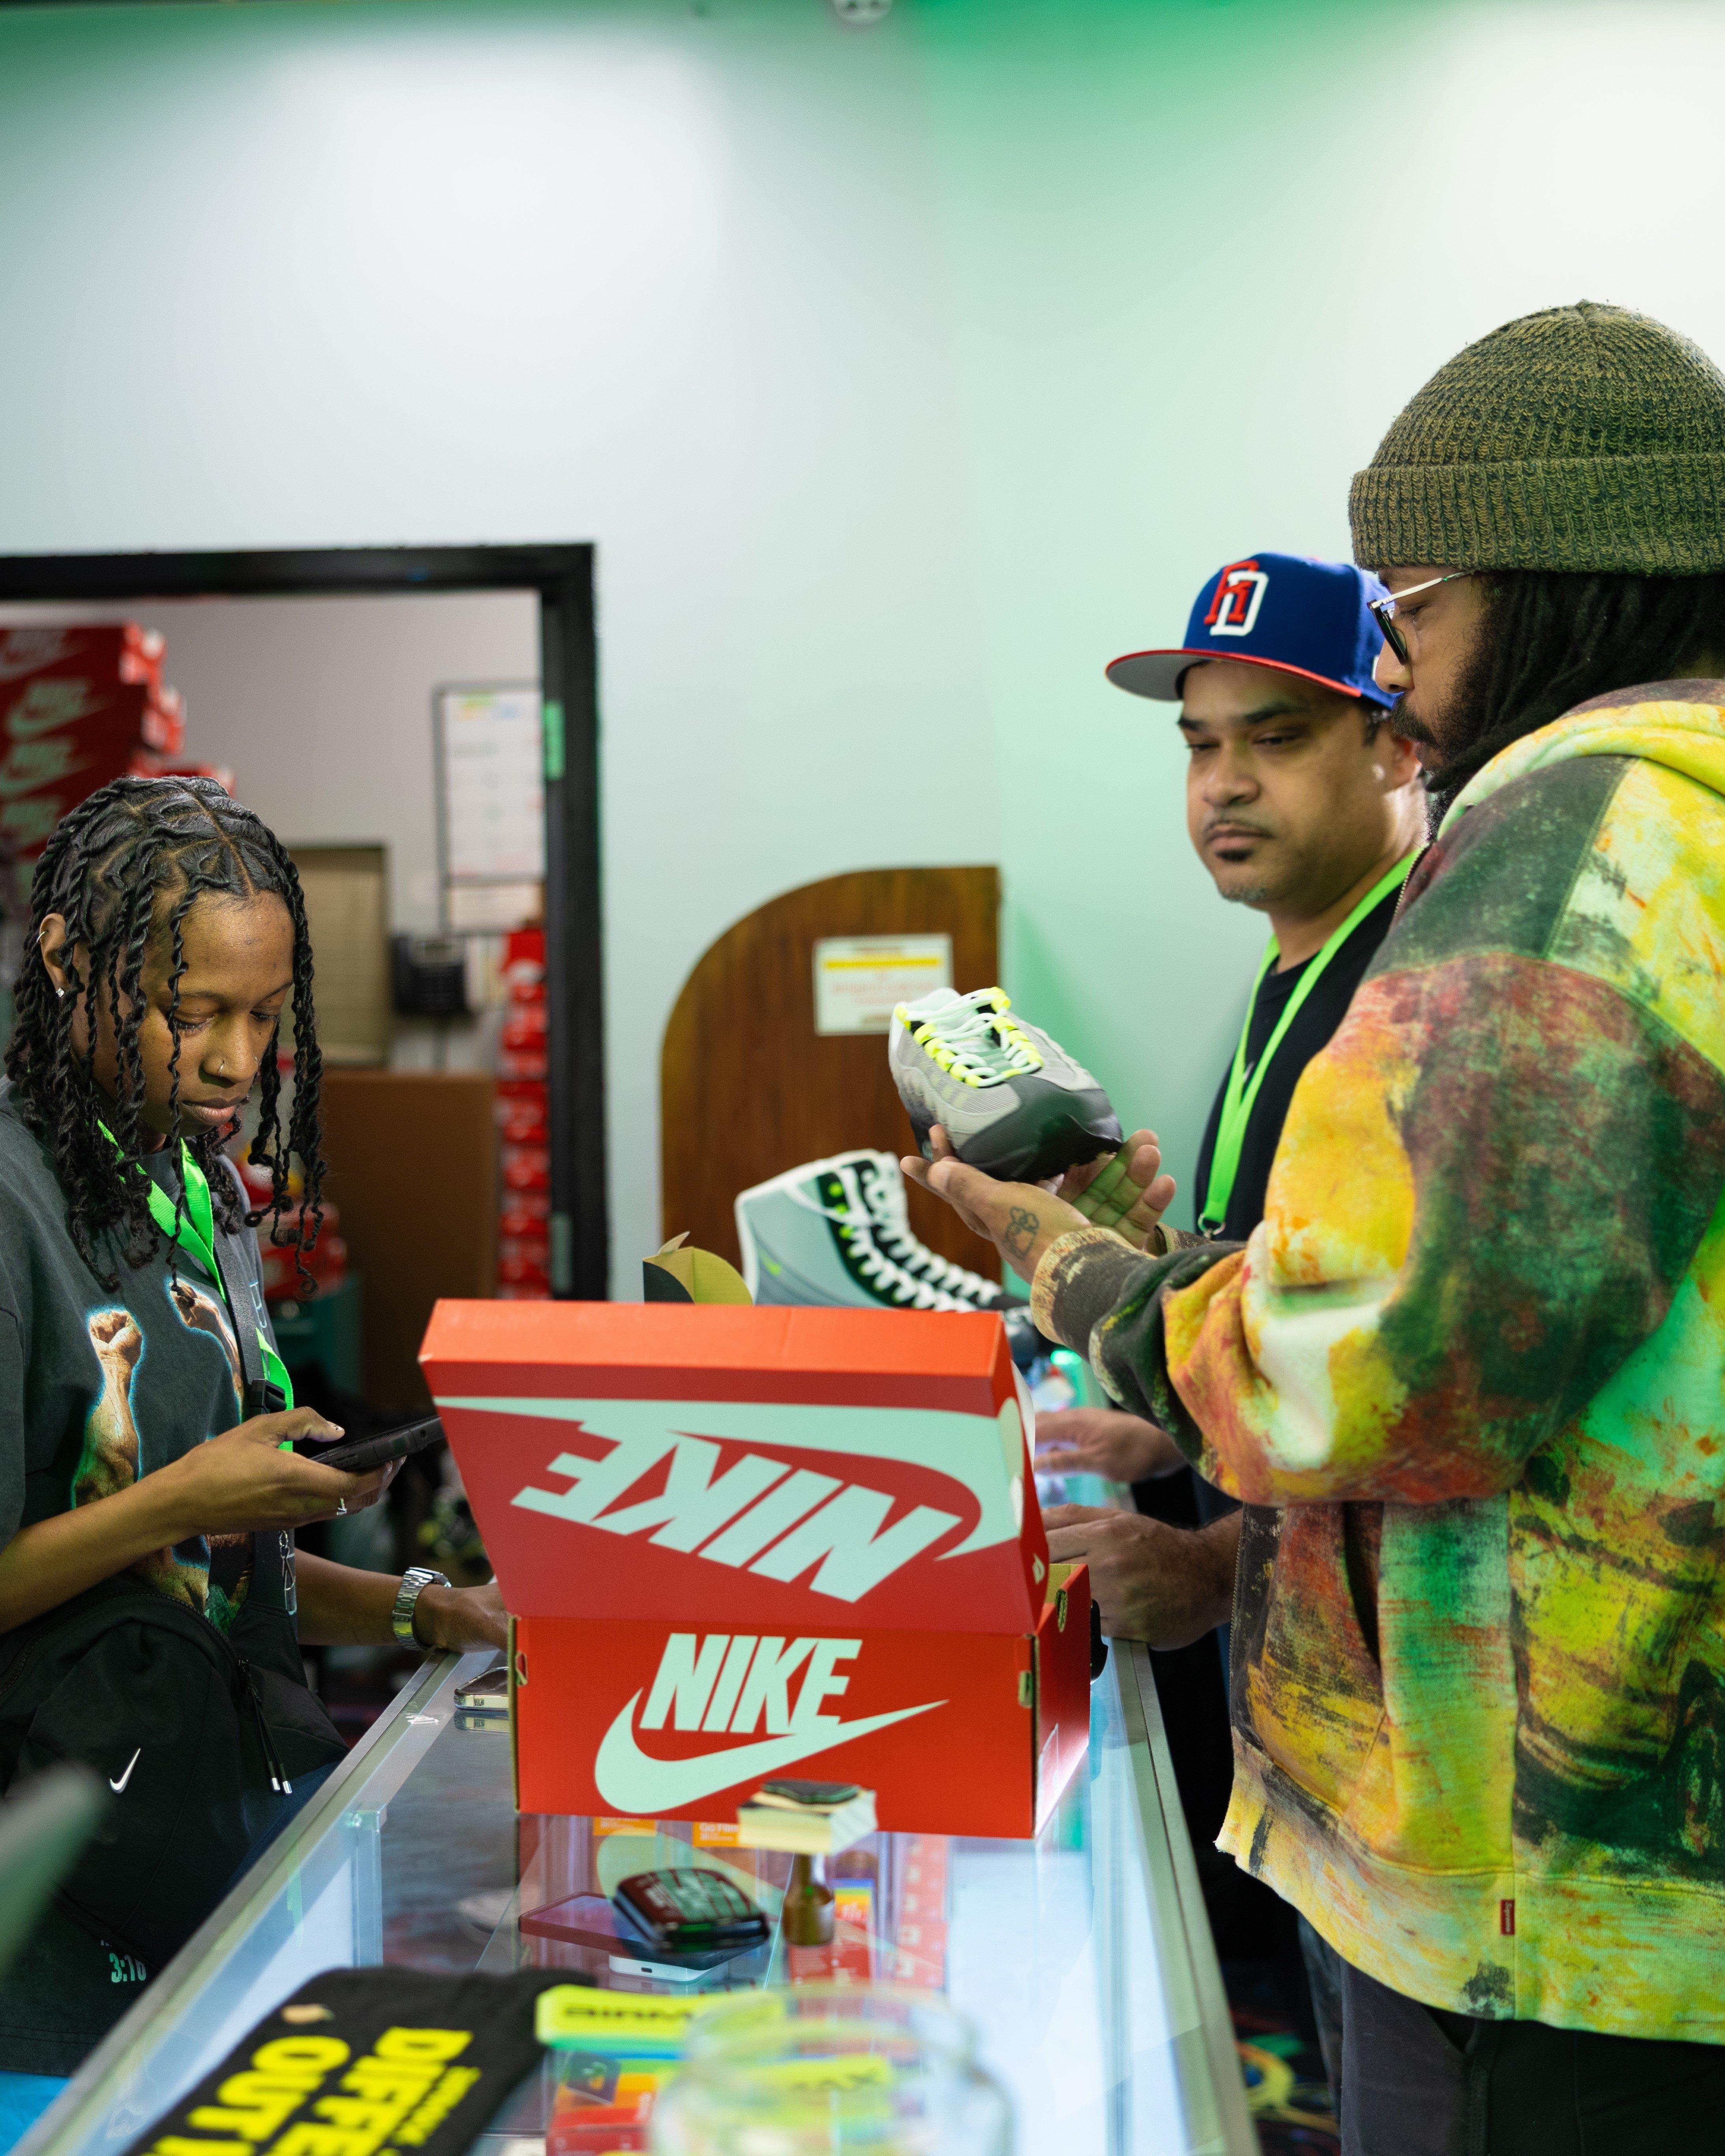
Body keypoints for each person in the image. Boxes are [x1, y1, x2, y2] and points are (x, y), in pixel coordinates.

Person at [908, 300, 1725, 2154]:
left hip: (1551, 1892)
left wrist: (1070, 1263)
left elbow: (1357, 1377)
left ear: (1545, 584)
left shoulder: (1576, 833)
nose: (1413, 684)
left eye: (1412, 616)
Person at [0, 775, 507, 2087]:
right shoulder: (11, 1204)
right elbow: (162, 1525)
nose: (236, 1062)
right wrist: (184, 1498)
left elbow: (205, 1579)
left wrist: (428, 1609)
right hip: (47, 1955)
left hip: (213, 1868)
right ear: (62, 961)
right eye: (191, 1013)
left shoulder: (196, 1178)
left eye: (267, 1014)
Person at [1033, 552, 1424, 2084]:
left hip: (1410, 1773)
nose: (1224, 783)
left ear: (1395, 744)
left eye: (1277, 736)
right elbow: (1301, 1310)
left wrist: (1208, 1565)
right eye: (1199, 744)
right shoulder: (1295, 967)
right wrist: (1170, 1405)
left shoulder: (1407, 987)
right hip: (1312, 1733)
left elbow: (1420, 1402)